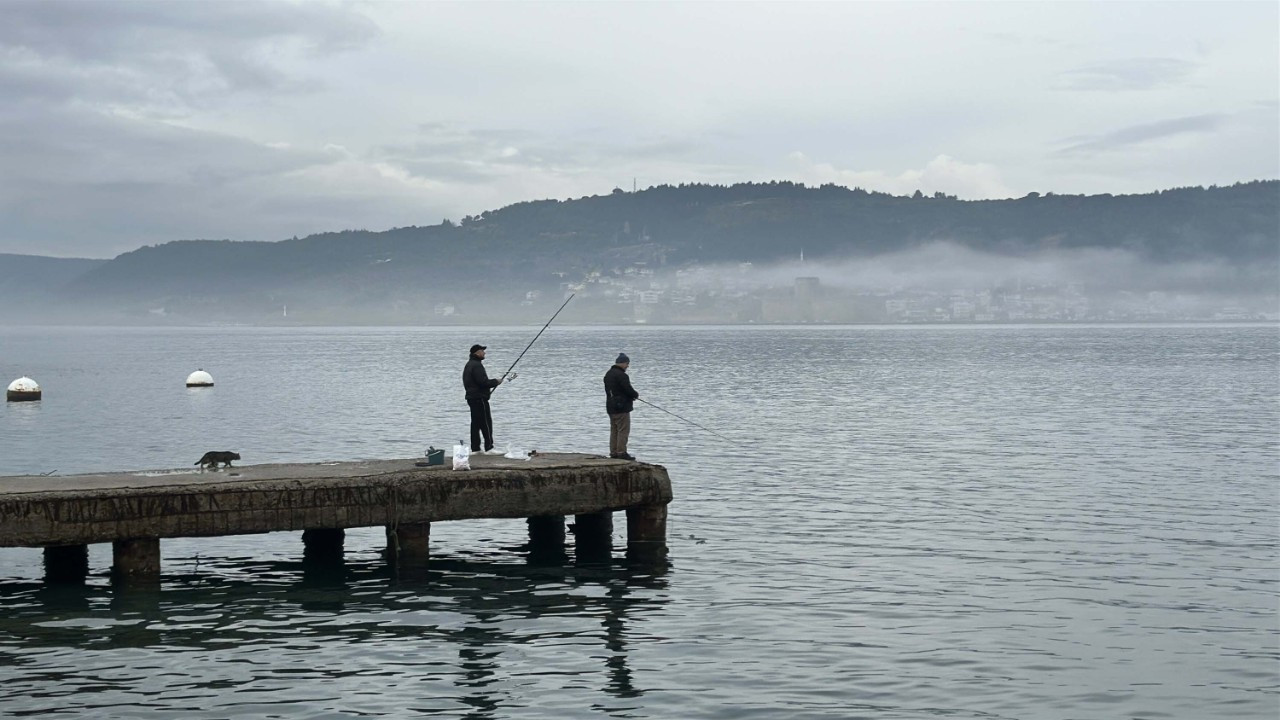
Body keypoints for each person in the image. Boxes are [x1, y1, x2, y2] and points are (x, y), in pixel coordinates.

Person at [463, 344, 508, 455]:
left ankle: (476, 448)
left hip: (472, 398)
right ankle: (489, 447)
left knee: (475, 424)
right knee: (486, 422)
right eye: (482, 351)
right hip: (479, 399)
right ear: (477, 353)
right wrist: (496, 381)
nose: (484, 353)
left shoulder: (469, 365)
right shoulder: (477, 366)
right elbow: (483, 382)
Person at [603, 352, 640, 460]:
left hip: (610, 407)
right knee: (623, 430)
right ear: (622, 363)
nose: (628, 366)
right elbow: (628, 390)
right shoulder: (622, 375)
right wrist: (635, 395)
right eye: (627, 363)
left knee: (614, 430)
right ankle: (621, 452)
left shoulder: (608, 374)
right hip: (621, 407)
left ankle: (613, 452)